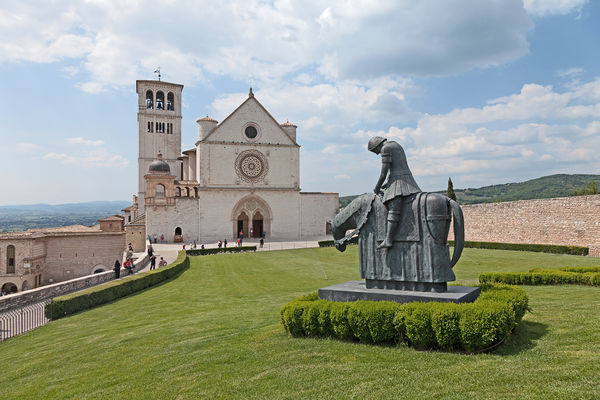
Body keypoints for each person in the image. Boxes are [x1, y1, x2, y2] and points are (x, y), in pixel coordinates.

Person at [368, 136, 421, 248]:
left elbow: (384, 173)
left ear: (377, 145)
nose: (377, 154)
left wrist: (376, 188)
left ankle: (388, 239)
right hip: (403, 178)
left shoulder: (385, 149)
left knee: (393, 208)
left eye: (375, 151)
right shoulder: (396, 144)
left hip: (400, 182)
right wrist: (388, 183)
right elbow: (398, 167)